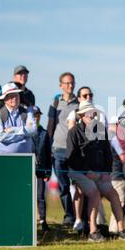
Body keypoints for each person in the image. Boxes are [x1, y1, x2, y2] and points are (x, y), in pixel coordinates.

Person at [66, 100, 125, 242]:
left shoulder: (100, 129)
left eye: (93, 113)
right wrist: (86, 171)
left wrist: (107, 172)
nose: (91, 116)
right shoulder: (73, 132)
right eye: (88, 114)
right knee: (94, 193)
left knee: (113, 194)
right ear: (81, 116)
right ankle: (93, 232)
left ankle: (121, 230)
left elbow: (107, 153)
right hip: (79, 172)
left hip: (100, 173)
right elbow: (71, 157)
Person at [46, 72, 79, 227]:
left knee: (78, 185)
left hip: (75, 151)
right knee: (63, 186)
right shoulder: (55, 103)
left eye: (72, 83)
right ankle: (69, 216)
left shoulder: (79, 103)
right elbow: (50, 125)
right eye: (66, 83)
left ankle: (81, 218)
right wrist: (47, 147)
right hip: (57, 150)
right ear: (61, 85)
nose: (70, 86)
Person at [0, 82, 36, 153]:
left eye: (16, 95)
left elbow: (33, 130)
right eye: (11, 96)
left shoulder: (27, 112)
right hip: (3, 159)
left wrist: (12, 130)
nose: (15, 98)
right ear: (5, 99)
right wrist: (23, 135)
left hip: (25, 159)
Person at [32, 106, 52, 232]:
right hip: (28, 168)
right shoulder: (25, 132)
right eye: (34, 115)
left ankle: (43, 220)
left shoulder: (44, 133)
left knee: (40, 196)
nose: (36, 117)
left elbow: (48, 154)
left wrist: (48, 172)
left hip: (41, 169)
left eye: (38, 115)